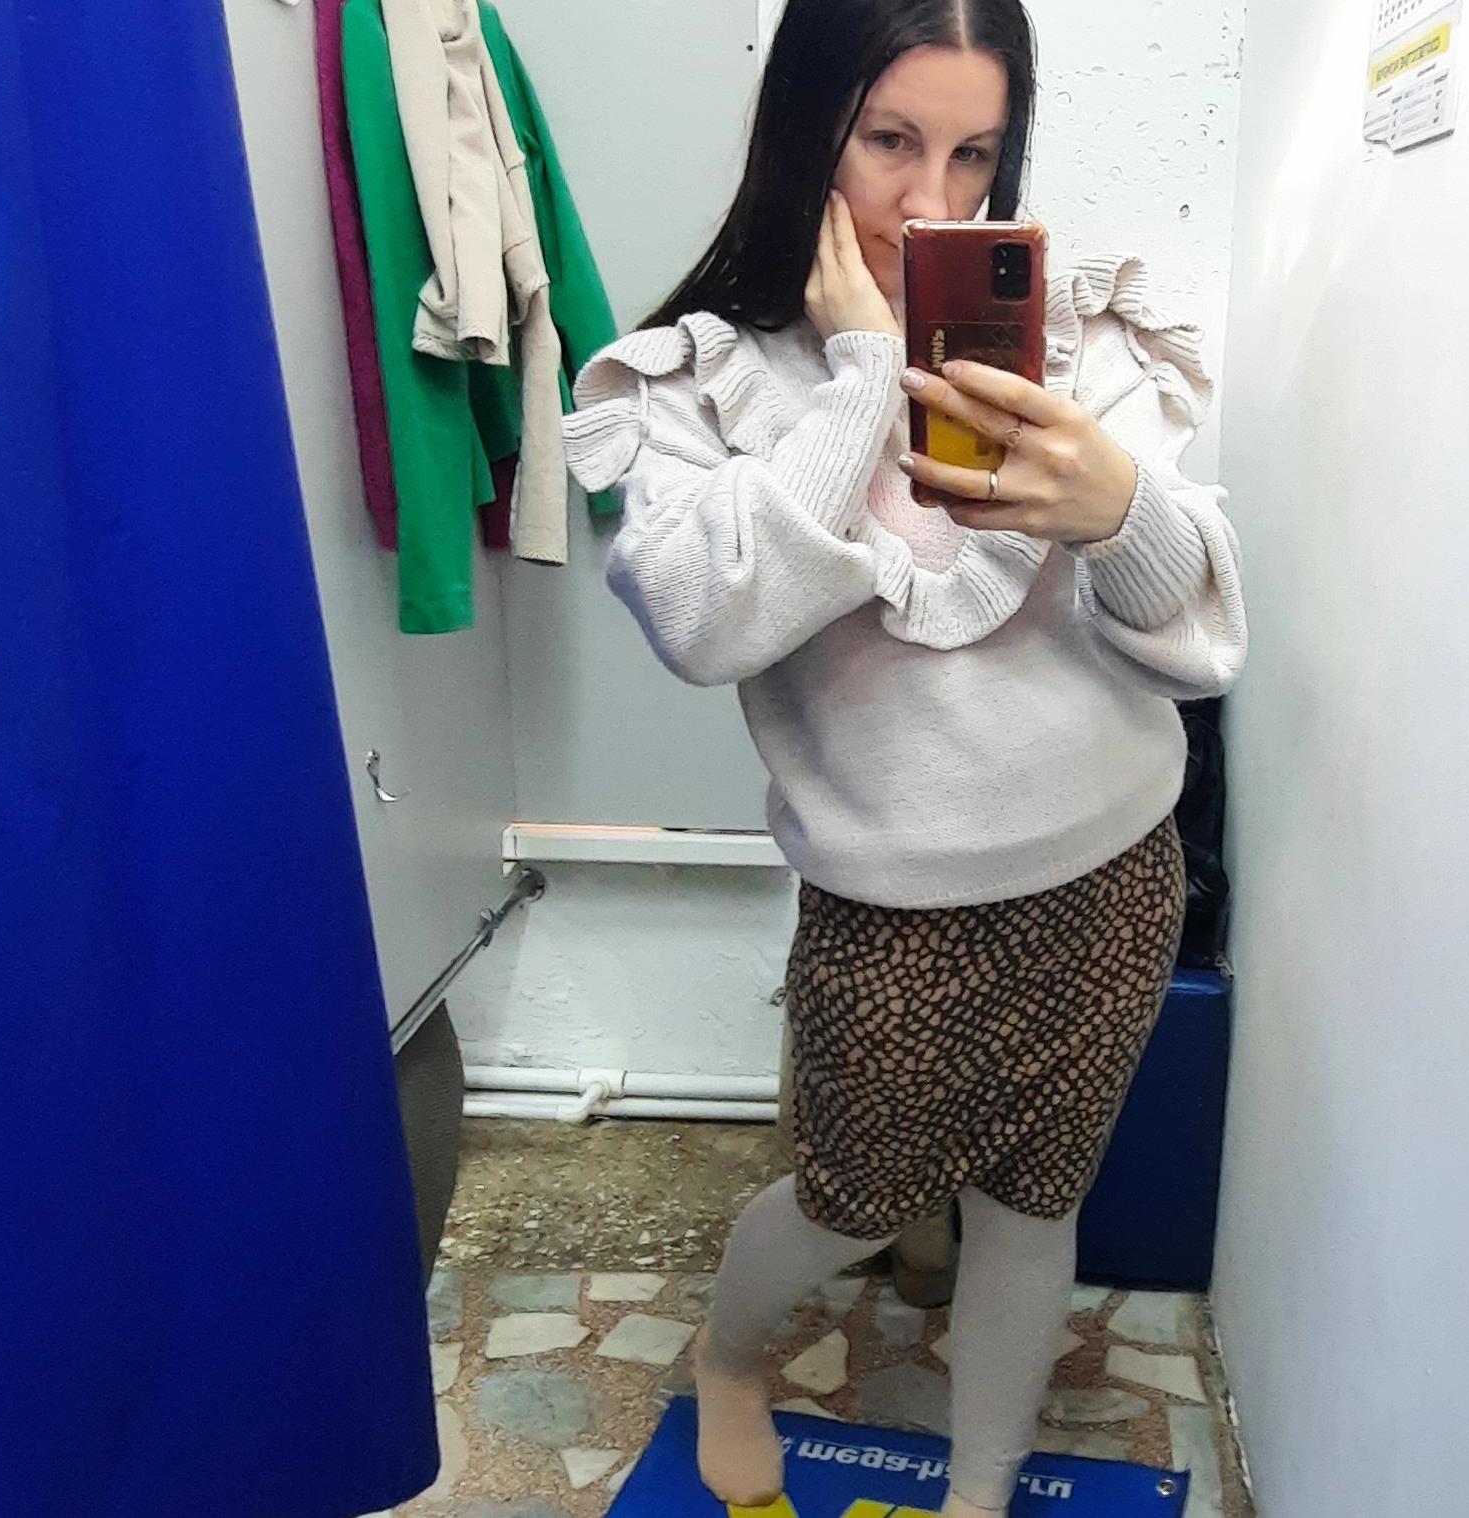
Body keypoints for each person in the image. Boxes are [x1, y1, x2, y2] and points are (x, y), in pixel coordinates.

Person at [558, 0, 1245, 1511]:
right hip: (894, 914)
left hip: (1113, 883)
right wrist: (865, 377)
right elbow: (703, 618)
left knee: (1035, 1205)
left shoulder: (1071, 337)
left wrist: (1116, 507)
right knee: (846, 1203)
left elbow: (1199, 634)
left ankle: (981, 1491)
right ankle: (730, 1362)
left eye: (976, 154)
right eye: (890, 141)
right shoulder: (699, 381)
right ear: (808, 126)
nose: (935, 202)